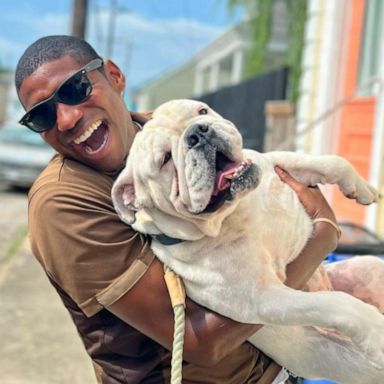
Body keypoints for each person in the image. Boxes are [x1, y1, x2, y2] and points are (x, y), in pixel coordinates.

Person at [15, 35, 339, 384]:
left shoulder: (179, 124)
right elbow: (201, 340)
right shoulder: (63, 202)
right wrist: (320, 237)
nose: (64, 119)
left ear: (114, 75)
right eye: (41, 115)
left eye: (75, 88)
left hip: (282, 366)